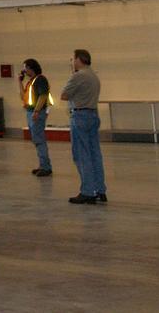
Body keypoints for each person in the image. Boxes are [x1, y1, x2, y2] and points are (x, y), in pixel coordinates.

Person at [60, 49, 105, 205]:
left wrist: (73, 77)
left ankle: (87, 191)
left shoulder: (78, 76)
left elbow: (64, 95)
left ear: (79, 59)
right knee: (94, 154)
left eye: (73, 59)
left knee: (81, 154)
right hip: (93, 114)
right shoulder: (94, 75)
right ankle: (100, 189)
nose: (72, 62)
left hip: (80, 116)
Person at [20, 59, 52, 177]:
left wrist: (37, 111)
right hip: (30, 112)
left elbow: (43, 96)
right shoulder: (31, 81)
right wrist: (20, 82)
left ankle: (45, 167)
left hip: (36, 113)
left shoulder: (40, 80)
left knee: (39, 140)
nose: (24, 71)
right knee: (37, 140)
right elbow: (23, 96)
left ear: (30, 68)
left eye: (25, 68)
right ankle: (43, 165)